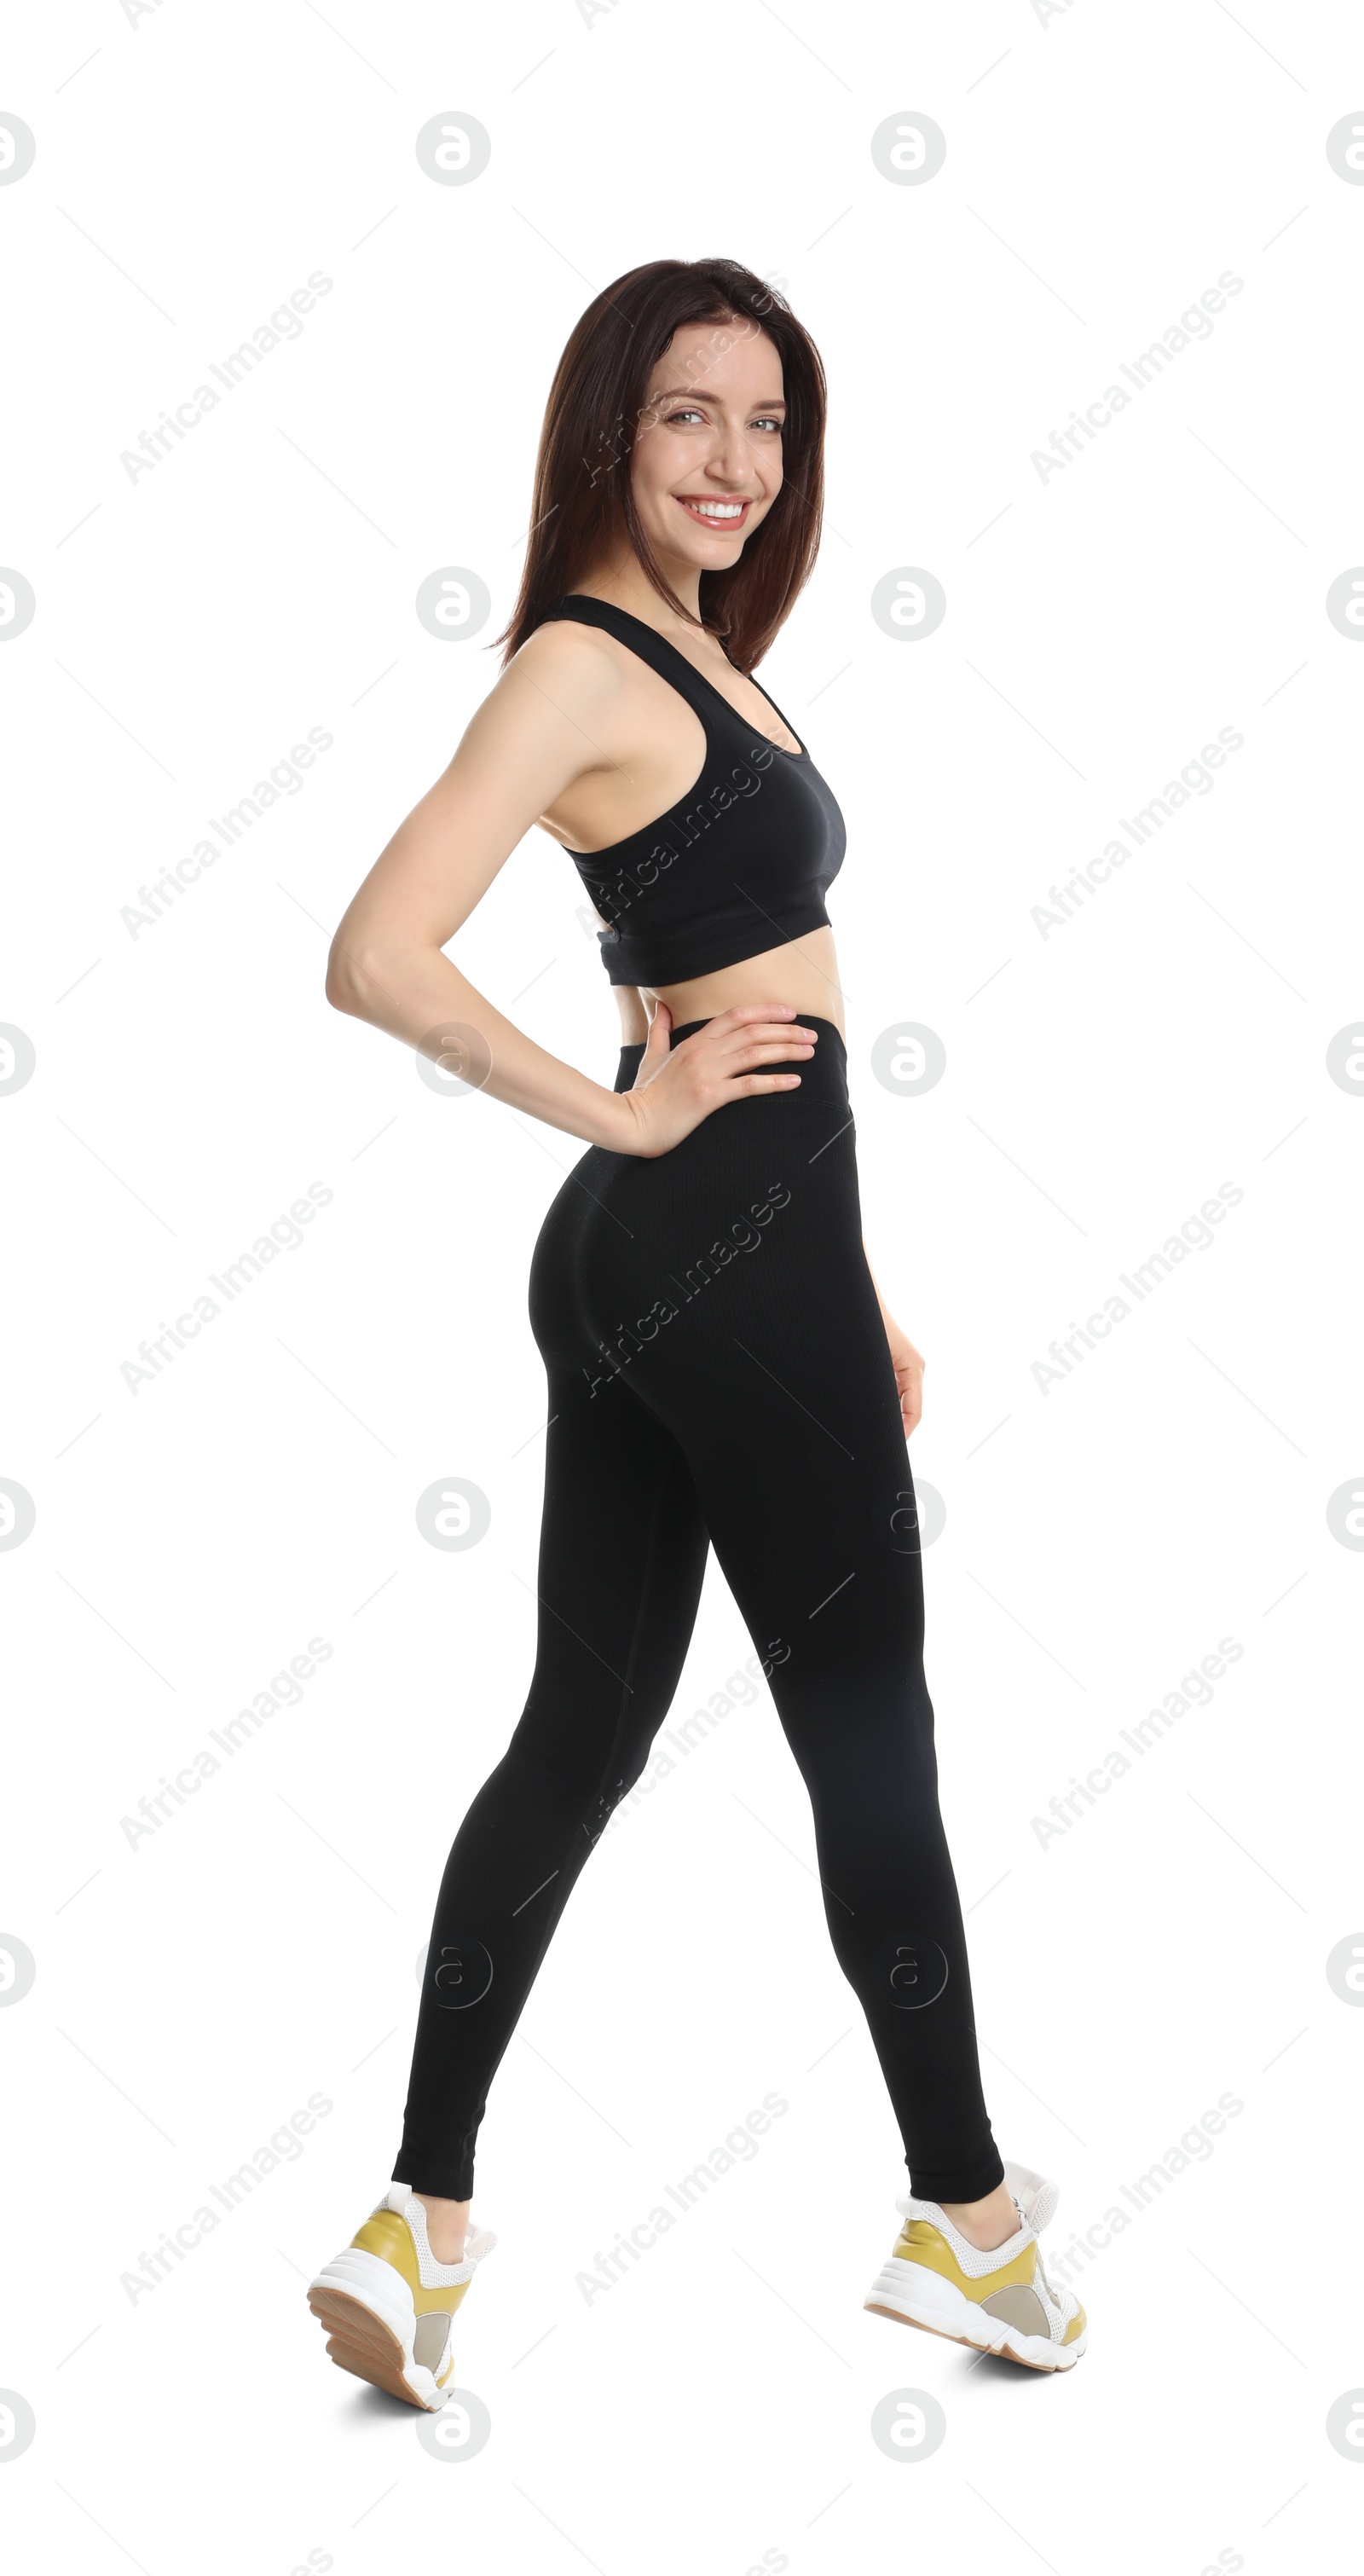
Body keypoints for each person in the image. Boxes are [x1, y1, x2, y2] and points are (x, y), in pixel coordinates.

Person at [306, 258, 1086, 2405]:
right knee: (869, 1724)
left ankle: (421, 2221)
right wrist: (634, 1113)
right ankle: (969, 2217)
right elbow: (376, 951)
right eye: (689, 419)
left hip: (695, 1250)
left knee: (583, 1723)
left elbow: (725, 981)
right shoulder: (578, 660)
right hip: (702, 1231)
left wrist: (844, 1281)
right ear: (605, 435)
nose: (737, 464)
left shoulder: (685, 656)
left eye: (765, 424)